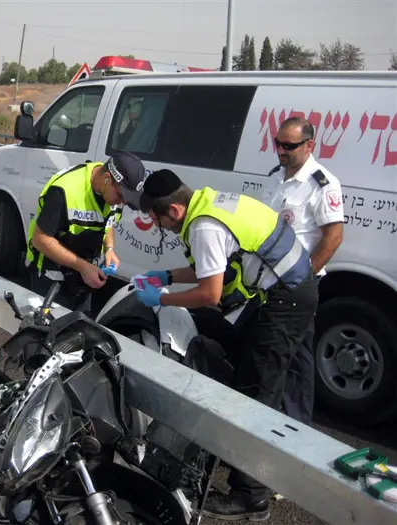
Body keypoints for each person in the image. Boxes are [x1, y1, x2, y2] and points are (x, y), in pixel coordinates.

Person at [136, 169, 318, 522]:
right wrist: (170, 276)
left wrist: (162, 297)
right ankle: (262, 459)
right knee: (259, 373)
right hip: (291, 287)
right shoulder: (211, 202)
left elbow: (210, 293)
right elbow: (211, 268)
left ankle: (252, 496)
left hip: (285, 299)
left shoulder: (203, 226)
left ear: (173, 211)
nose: (160, 228)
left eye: (158, 221)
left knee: (257, 392)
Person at [264, 117, 344, 426]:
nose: (280, 151)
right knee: (270, 355)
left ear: (309, 145)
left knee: (296, 360)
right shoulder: (276, 177)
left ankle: (297, 428)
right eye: (278, 143)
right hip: (268, 283)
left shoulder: (321, 183)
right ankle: (269, 421)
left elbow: (333, 237)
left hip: (295, 289)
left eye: (288, 145)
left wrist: (304, 279)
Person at [24, 152, 146, 314]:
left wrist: (109, 249)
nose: (122, 202)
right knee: (48, 332)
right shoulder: (65, 190)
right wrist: (82, 266)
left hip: (83, 276)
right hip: (51, 275)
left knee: (79, 331)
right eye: (122, 196)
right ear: (107, 179)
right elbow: (40, 239)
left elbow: (108, 225)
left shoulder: (111, 195)